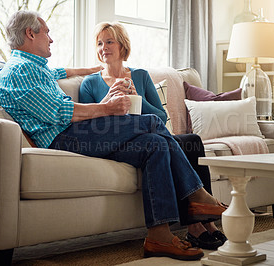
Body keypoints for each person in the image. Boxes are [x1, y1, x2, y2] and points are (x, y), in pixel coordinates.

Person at [0, 10, 226, 261]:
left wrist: (87, 68)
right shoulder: (20, 70)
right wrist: (108, 107)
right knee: (151, 124)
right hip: (64, 136)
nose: (51, 39)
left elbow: (59, 73)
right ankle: (196, 195)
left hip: (72, 132)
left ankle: (159, 235)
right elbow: (58, 111)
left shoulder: (32, 67)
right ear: (30, 33)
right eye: (47, 33)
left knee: (155, 144)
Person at [79, 22, 227, 250]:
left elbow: (159, 116)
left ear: (122, 46)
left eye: (109, 41)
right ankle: (200, 220)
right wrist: (107, 101)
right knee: (165, 143)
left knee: (192, 142)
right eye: (99, 43)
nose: (104, 47)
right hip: (121, 141)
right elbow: (91, 126)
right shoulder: (90, 83)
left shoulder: (140, 76)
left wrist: (138, 96)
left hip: (151, 132)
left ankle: (201, 224)